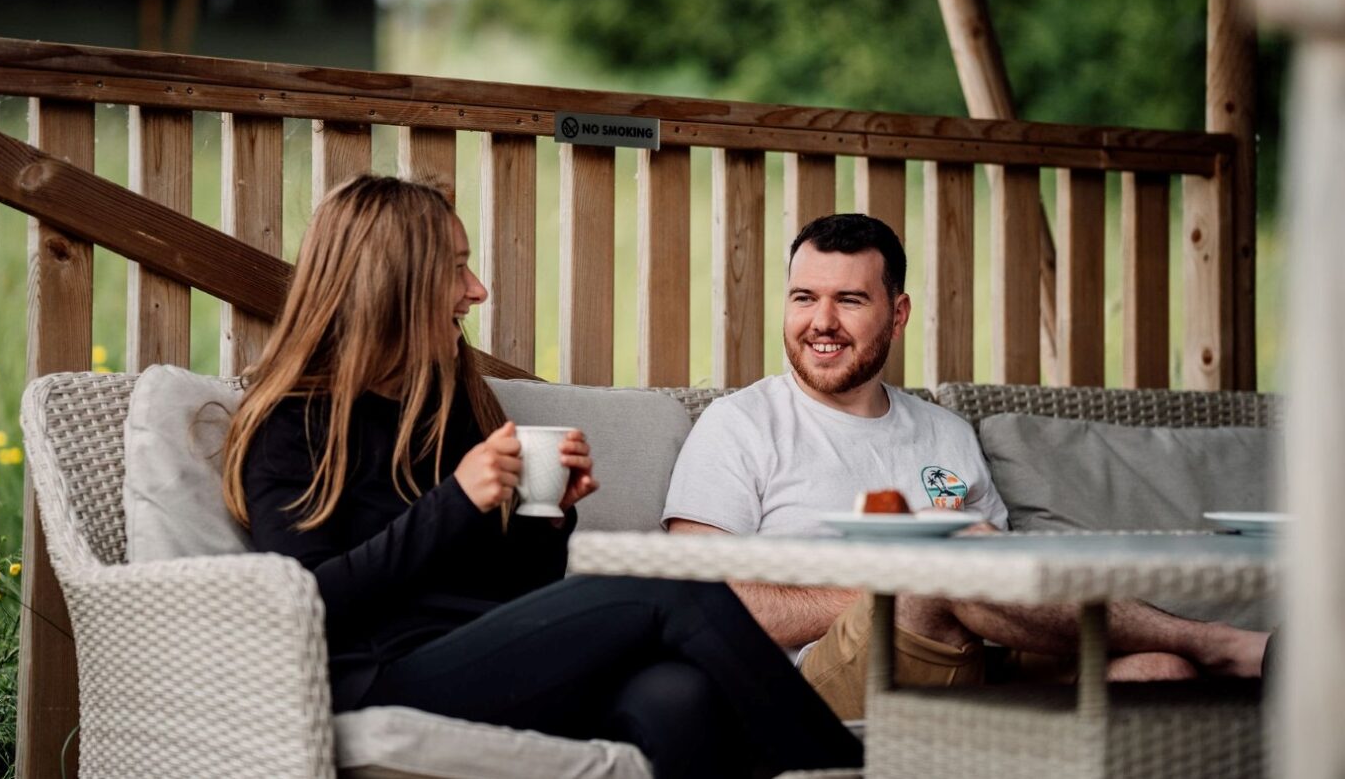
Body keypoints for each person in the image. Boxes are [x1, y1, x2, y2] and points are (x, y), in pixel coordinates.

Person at [220, 175, 860, 778]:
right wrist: (457, 500)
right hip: (381, 677)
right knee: (673, 584)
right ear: (396, 282)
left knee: (677, 695)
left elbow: (511, 591)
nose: (476, 289)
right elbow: (302, 602)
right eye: (455, 267)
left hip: (483, 659)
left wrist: (544, 516)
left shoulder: (446, 404)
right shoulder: (293, 422)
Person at [663, 213, 1270, 720]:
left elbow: (1005, 585)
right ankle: (1219, 642)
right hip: (816, 684)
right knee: (940, 558)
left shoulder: (946, 433)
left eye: (849, 300)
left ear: (898, 315)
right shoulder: (740, 423)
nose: (821, 322)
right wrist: (889, 586)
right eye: (804, 298)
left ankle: (1192, 654)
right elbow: (699, 605)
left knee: (1161, 673)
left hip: (979, 655)